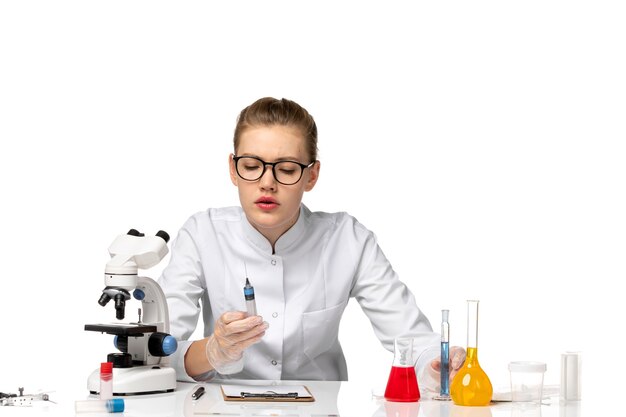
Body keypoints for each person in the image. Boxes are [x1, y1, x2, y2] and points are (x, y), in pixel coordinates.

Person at [158, 97, 465, 395]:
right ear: (233, 169)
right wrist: (213, 352)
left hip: (319, 409)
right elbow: (154, 352)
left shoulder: (348, 240)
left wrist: (437, 363)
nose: (267, 182)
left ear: (312, 175)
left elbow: (413, 339)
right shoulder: (202, 234)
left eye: (287, 169)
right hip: (224, 407)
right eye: (251, 166)